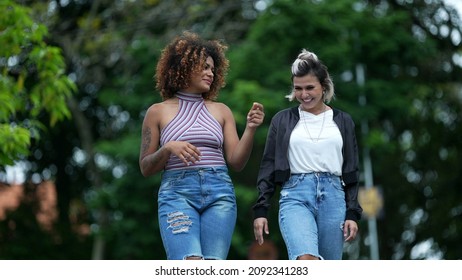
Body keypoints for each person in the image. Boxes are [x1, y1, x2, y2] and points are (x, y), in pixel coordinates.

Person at [139, 31, 264, 260]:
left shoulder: (221, 110)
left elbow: (236, 161)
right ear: (184, 66)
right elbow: (145, 167)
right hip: (177, 193)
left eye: (213, 69)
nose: (210, 73)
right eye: (204, 67)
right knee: (190, 264)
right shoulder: (157, 112)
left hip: (220, 193)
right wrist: (167, 149)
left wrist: (250, 128)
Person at [252, 49, 362, 260]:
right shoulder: (282, 120)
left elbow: (351, 171)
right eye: (298, 89)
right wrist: (261, 210)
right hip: (295, 195)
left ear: (324, 86)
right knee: (306, 261)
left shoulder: (343, 121)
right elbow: (268, 166)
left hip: (334, 197)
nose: (304, 94)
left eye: (310, 87)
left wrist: (352, 213)